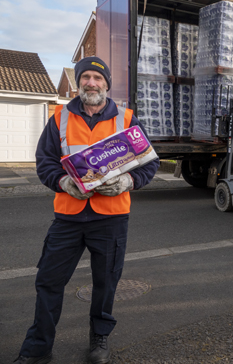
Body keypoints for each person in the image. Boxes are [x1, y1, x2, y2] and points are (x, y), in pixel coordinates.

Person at [14, 56, 159, 364]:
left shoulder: (126, 119)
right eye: (86, 77)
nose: (91, 83)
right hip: (68, 217)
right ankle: (38, 349)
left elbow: (150, 162)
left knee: (106, 283)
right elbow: (45, 162)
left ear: (106, 84)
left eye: (97, 77)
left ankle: (99, 339)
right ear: (78, 82)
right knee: (49, 282)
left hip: (111, 218)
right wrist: (63, 182)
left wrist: (128, 181)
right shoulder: (59, 118)